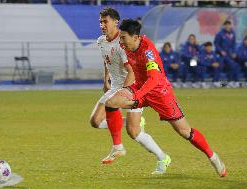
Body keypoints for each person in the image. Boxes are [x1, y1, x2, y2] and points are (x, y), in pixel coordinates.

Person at [105, 19, 227, 177]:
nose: (121, 41)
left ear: (135, 37)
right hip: (140, 88)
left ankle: (213, 157)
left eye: (123, 38)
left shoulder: (148, 51)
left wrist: (137, 95)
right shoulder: (126, 45)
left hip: (159, 93)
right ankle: (118, 146)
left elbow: (154, 79)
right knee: (111, 102)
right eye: (120, 37)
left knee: (185, 132)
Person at [90, 8, 170, 174]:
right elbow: (107, 61)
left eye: (105, 21)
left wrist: (125, 91)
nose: (102, 25)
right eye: (100, 22)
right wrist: (106, 79)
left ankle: (163, 157)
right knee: (95, 121)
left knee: (134, 133)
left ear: (115, 22)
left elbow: (132, 71)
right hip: (115, 87)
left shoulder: (123, 42)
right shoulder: (101, 41)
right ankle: (128, 125)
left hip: (131, 86)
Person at [214, 20, 240, 88]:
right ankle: (216, 82)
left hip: (229, 55)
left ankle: (231, 81)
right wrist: (221, 51)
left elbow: (234, 44)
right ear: (224, 26)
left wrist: (234, 52)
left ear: (231, 25)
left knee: (234, 65)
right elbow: (216, 44)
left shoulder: (233, 33)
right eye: (226, 25)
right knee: (219, 66)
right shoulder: (220, 34)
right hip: (221, 55)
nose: (228, 26)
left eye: (229, 25)